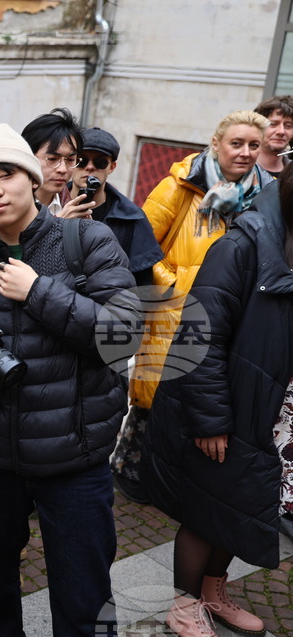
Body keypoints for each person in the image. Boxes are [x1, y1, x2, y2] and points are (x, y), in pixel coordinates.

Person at [0, 123, 138, 637]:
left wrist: (37, 291)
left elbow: (121, 335)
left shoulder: (87, 242)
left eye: (6, 173)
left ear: (33, 180)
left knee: (83, 592)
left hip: (73, 458)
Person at [143, 167, 293, 637]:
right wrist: (210, 419)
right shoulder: (241, 245)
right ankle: (184, 610)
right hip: (223, 406)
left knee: (239, 503)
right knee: (207, 511)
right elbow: (198, 336)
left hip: (265, 405)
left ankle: (212, 593)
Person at [112, 110, 272, 505]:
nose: (246, 153)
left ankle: (173, 483)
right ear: (216, 144)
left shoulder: (266, 197)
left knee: (202, 405)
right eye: (237, 143)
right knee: (153, 404)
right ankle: (133, 481)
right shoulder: (180, 186)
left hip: (231, 321)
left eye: (254, 145)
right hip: (173, 312)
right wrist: (182, 289)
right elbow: (137, 249)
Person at [0, 108, 95, 246]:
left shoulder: (69, 201)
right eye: (52, 159)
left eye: (71, 160)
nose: (63, 169)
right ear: (28, 159)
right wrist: (58, 226)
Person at [69, 127, 163, 286]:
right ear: (72, 162)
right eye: (82, 160)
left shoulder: (133, 219)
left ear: (111, 167)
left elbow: (142, 285)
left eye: (100, 162)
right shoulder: (48, 204)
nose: (89, 167)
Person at [254, 96, 293, 177]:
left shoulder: (290, 173)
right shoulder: (242, 170)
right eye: (273, 124)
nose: (281, 131)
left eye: (288, 126)